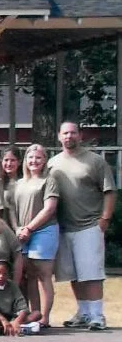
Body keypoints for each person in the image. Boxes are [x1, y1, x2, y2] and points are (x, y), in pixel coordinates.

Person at [48, 120, 115, 330]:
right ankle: (84, 312)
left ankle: (97, 315)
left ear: (80, 135)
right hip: (64, 227)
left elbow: (110, 191)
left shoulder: (95, 161)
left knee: (92, 273)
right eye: (65, 133)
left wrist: (105, 218)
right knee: (73, 274)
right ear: (59, 136)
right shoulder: (52, 164)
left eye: (73, 133)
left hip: (89, 225)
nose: (69, 137)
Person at [11, 143, 61, 327]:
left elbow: (49, 209)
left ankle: (46, 318)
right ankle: (35, 314)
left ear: (45, 160)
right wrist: (18, 228)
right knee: (29, 274)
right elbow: (12, 211)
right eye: (31, 157)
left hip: (44, 231)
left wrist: (30, 228)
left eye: (38, 157)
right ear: (26, 160)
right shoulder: (19, 183)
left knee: (43, 274)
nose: (34, 161)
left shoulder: (49, 181)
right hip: (23, 233)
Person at [0, 259, 43, 336]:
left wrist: (17, 321)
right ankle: (17, 328)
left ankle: (6, 328)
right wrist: (2, 319)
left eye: (5, 274)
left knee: (37, 314)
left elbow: (23, 308)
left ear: (8, 275)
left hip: (10, 317)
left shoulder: (12, 285)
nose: (1, 276)